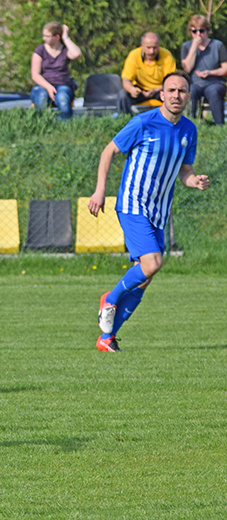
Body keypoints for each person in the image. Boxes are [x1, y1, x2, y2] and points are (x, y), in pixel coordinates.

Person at [88, 72, 209, 353]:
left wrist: (195, 181)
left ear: (189, 97)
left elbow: (185, 172)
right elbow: (109, 152)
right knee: (152, 263)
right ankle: (110, 297)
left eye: (182, 91)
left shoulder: (189, 130)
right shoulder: (144, 122)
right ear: (162, 95)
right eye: (171, 90)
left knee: (145, 275)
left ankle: (107, 337)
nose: (177, 95)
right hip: (132, 204)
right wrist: (99, 190)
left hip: (158, 211)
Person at [181, 15, 227, 125]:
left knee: (213, 91)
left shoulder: (217, 45)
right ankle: (189, 124)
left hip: (214, 82)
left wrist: (210, 73)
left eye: (201, 30)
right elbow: (187, 68)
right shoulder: (186, 46)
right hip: (195, 83)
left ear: (207, 30)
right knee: (190, 92)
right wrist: (194, 47)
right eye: (194, 31)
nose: (198, 34)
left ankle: (219, 126)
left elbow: (225, 69)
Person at [30, 22, 81, 120]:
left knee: (62, 98)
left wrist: (65, 37)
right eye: (43, 35)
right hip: (42, 85)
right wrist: (49, 87)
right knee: (41, 97)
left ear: (57, 37)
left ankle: (65, 128)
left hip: (62, 85)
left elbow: (76, 54)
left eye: (47, 36)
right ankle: (41, 126)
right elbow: (35, 75)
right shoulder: (40, 51)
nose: (44, 38)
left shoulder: (65, 50)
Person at [118, 33, 176, 115]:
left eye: (155, 48)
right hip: (140, 90)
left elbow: (171, 81)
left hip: (160, 90)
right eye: (148, 47)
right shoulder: (134, 55)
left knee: (173, 94)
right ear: (142, 45)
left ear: (159, 45)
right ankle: (124, 120)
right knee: (123, 94)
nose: (151, 51)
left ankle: (173, 120)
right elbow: (126, 80)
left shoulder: (167, 55)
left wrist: (155, 90)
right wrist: (132, 90)